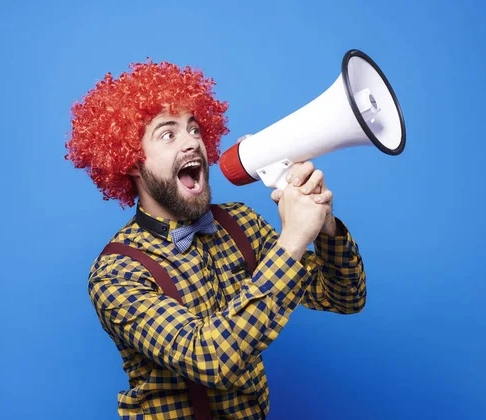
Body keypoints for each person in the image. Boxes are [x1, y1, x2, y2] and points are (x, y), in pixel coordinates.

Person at [65, 60, 367, 420]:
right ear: (131, 162)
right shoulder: (115, 274)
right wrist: (292, 241)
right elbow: (209, 359)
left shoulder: (240, 224)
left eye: (194, 129)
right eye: (168, 134)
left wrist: (324, 224)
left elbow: (344, 297)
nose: (192, 142)